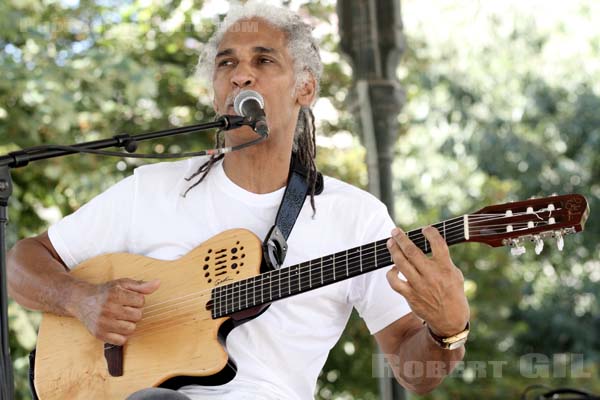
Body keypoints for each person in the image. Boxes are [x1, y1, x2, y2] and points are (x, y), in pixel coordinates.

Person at [7, 2, 470, 399]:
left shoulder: (356, 217)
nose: (241, 74)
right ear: (215, 91)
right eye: (226, 64)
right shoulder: (151, 189)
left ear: (304, 88)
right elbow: (21, 263)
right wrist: (79, 299)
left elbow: (416, 374)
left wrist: (446, 332)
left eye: (264, 61)